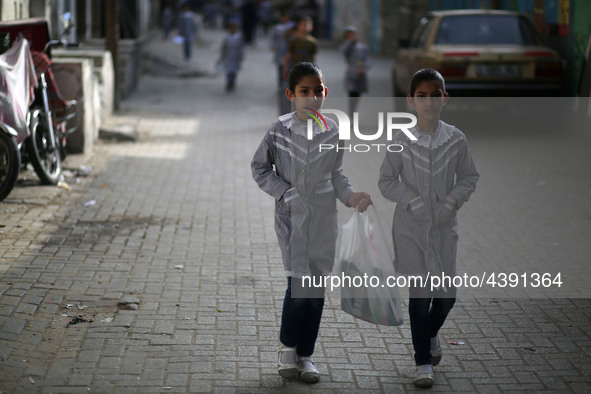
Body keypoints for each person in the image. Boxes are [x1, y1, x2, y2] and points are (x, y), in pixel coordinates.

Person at [251, 62, 372, 383]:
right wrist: (283, 193)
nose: (312, 97)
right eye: (304, 91)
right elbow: (260, 169)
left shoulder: (332, 130)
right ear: (291, 94)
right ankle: (287, 350)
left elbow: (337, 174)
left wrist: (350, 197)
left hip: (323, 220)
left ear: (326, 93)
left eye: (318, 91)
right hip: (292, 220)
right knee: (298, 285)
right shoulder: (279, 131)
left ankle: (306, 356)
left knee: (316, 289)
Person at [378, 68, 479, 388]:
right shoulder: (401, 139)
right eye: (421, 96)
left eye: (435, 95)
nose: (429, 101)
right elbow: (386, 181)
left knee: (446, 296)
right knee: (420, 296)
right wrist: (411, 200)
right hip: (409, 227)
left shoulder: (456, 138)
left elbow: (469, 177)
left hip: (443, 227)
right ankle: (423, 361)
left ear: (445, 99)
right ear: (410, 101)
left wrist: (452, 200)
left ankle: (430, 332)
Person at [339, 26, 370, 115]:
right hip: (351, 75)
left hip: (361, 75)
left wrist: (364, 68)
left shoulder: (363, 48)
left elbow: (368, 60)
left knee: (357, 96)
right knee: (352, 96)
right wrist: (349, 41)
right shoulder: (347, 48)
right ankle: (351, 114)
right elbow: (342, 50)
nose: (352, 37)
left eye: (353, 35)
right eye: (349, 36)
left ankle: (354, 112)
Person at [281, 15, 317, 82]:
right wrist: (284, 70)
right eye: (303, 24)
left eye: (308, 25)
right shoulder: (294, 40)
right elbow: (287, 55)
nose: (305, 27)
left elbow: (313, 57)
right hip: (295, 69)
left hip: (307, 70)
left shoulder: (313, 42)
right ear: (299, 26)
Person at [217, 19, 244, 92]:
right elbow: (223, 48)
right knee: (228, 71)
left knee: (234, 71)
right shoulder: (226, 37)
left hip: (235, 57)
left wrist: (241, 56)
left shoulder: (238, 37)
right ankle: (228, 83)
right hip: (228, 57)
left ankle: (232, 83)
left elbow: (241, 47)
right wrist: (222, 57)